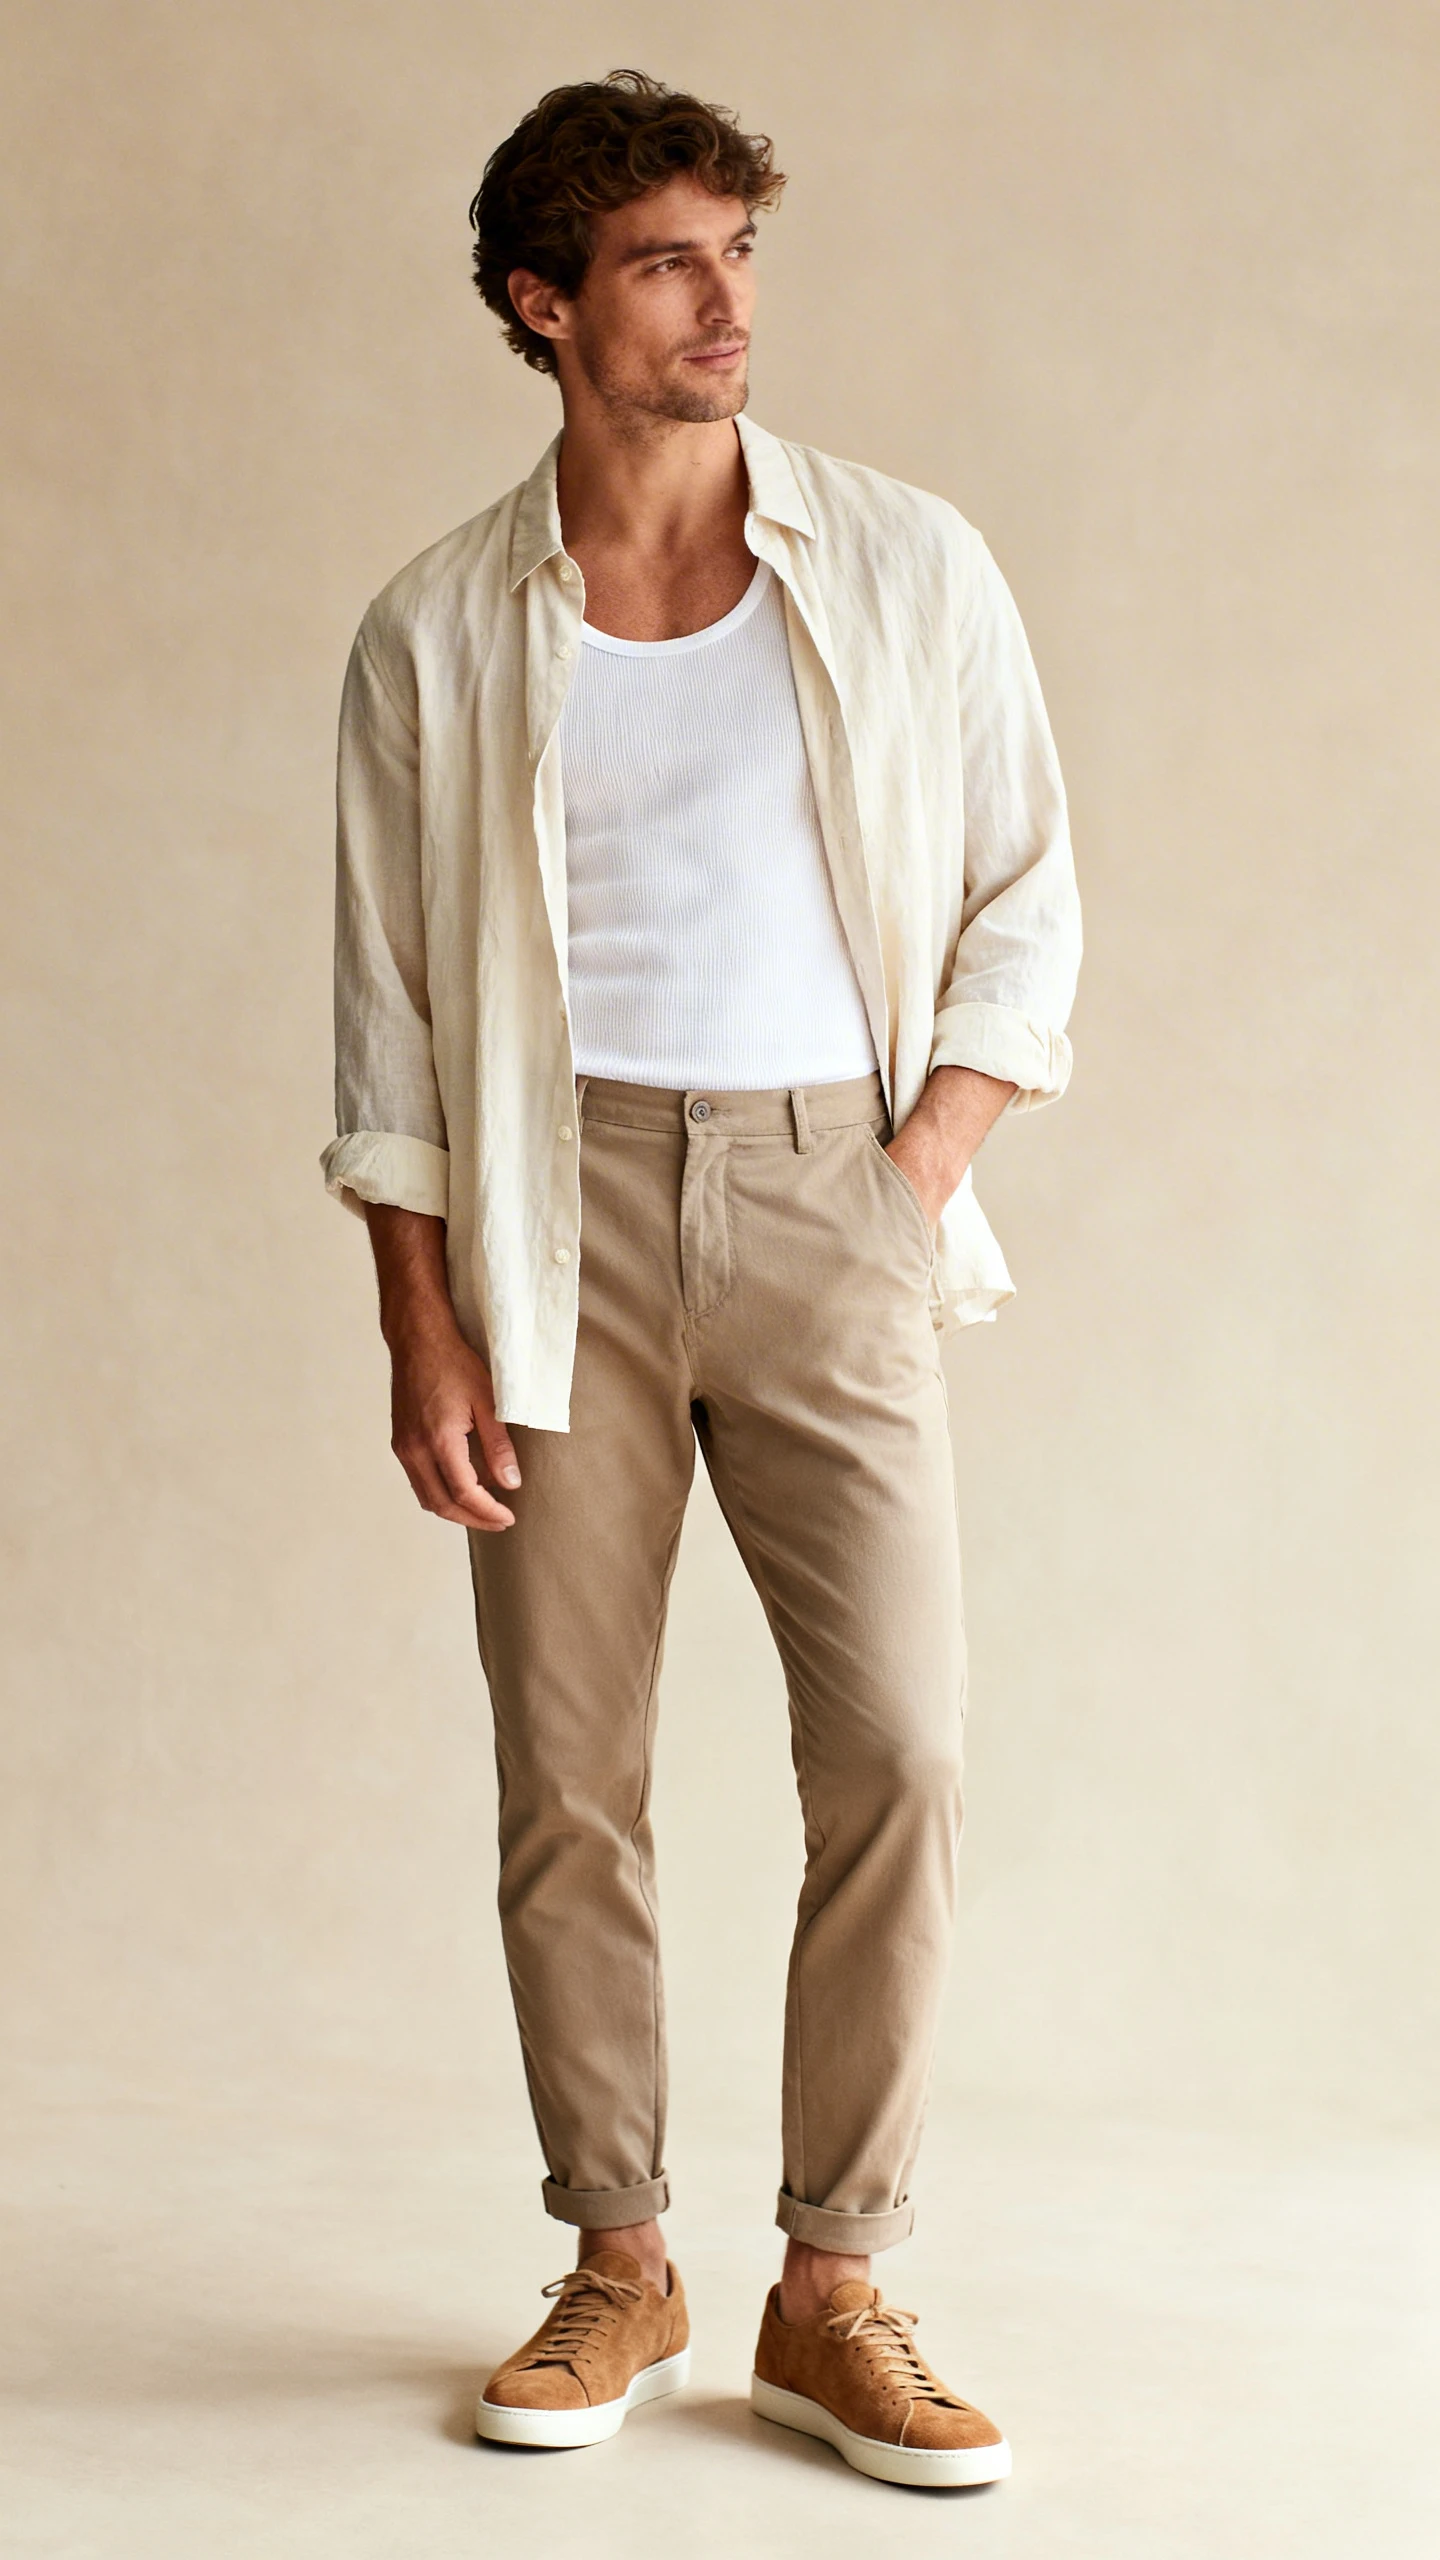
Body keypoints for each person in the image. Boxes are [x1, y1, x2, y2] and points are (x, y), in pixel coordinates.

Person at [322, 69, 1081, 2489]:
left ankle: (834, 2274)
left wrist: (914, 1160)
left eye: (741, 249)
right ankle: (618, 2252)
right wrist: (422, 1310)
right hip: (556, 1229)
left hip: (823, 1194)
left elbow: (1023, 899)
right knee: (570, 1777)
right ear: (546, 306)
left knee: (905, 1753)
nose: (727, 298)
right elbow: (387, 1019)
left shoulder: (905, 562)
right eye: (668, 260)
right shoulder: (438, 627)